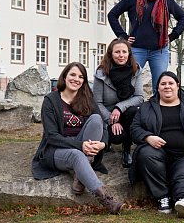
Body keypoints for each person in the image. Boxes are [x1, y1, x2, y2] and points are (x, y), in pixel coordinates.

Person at [31, 62, 125, 214]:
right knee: (76, 154)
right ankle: (107, 200)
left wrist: (102, 144)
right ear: (65, 77)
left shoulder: (87, 98)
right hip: (56, 149)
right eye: (73, 75)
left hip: (84, 147)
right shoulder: (51, 100)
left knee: (95, 119)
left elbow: (103, 125)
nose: (76, 79)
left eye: (81, 77)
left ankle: (80, 175)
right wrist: (80, 145)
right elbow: (52, 136)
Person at [129, 71, 184, 218]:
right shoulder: (147, 107)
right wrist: (148, 137)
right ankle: (163, 197)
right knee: (145, 154)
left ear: (178, 86)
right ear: (158, 87)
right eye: (163, 84)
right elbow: (134, 129)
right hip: (158, 155)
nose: (167, 87)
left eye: (170, 83)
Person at [108, 0, 184, 94]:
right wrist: (123, 37)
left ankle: (159, 113)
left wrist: (172, 36)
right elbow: (112, 14)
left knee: (161, 87)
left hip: (159, 51)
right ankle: (131, 112)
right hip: (137, 49)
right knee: (130, 83)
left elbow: (183, 17)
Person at [93, 38, 144, 168]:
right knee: (116, 137)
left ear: (129, 54)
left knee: (134, 111)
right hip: (108, 115)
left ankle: (126, 150)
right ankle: (107, 140)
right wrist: (112, 119)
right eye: (117, 52)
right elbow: (97, 102)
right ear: (110, 54)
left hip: (126, 112)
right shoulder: (101, 73)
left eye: (124, 52)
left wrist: (119, 107)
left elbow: (139, 97)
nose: (121, 55)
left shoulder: (135, 70)